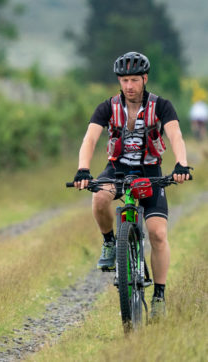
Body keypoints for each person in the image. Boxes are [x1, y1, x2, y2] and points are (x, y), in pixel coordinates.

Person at [73, 51, 191, 320]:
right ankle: (109, 242)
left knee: (158, 233)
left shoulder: (161, 106)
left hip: (151, 171)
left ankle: (159, 295)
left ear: (144, 79)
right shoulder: (107, 107)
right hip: (117, 168)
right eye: (124, 80)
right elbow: (90, 139)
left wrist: (181, 164)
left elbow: (175, 135)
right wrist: (83, 169)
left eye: (134, 80)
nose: (129, 86)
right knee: (100, 197)